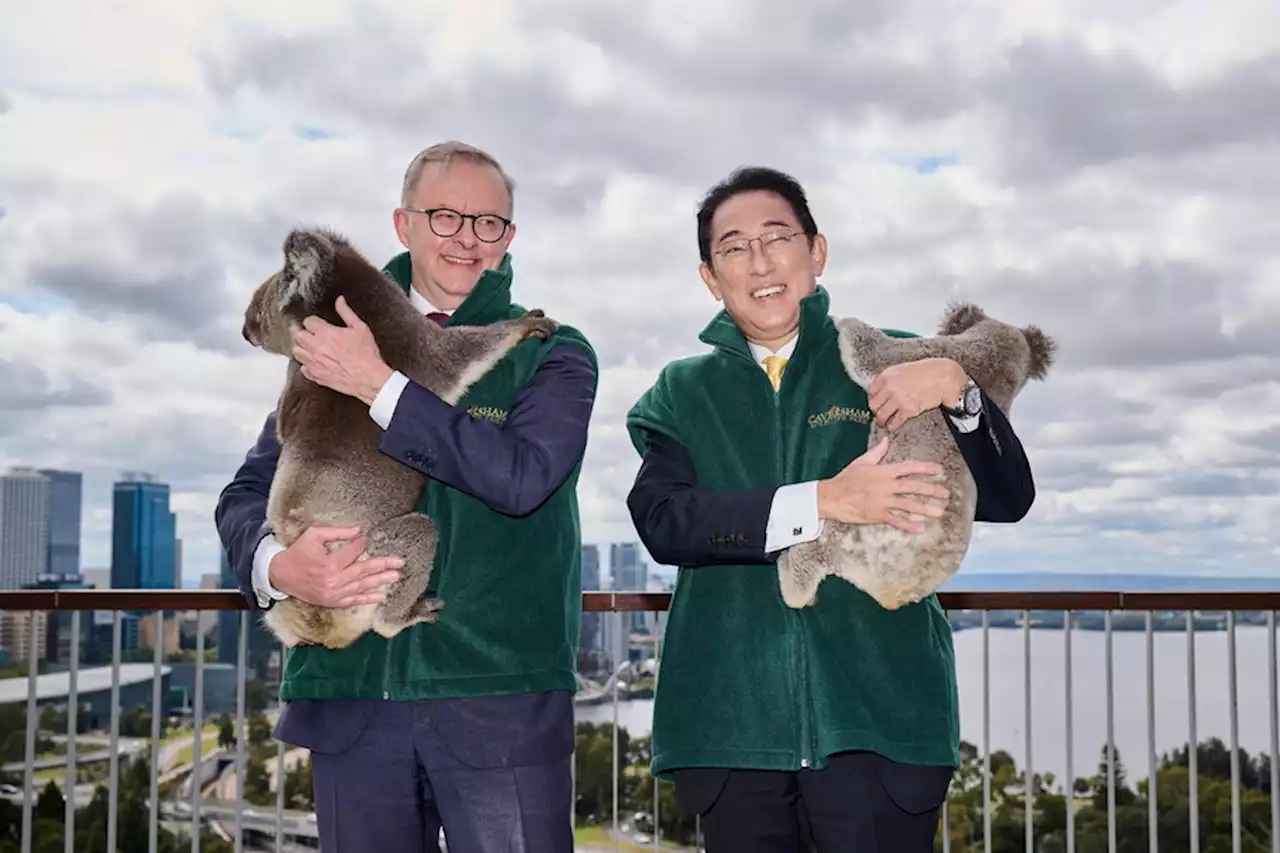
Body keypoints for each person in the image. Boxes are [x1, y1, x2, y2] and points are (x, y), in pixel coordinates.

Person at [624, 166, 1036, 852]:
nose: (759, 260)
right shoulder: (680, 390)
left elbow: (1007, 497)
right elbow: (665, 521)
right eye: (733, 246)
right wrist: (826, 500)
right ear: (709, 275)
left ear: (817, 251)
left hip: (882, 724)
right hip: (732, 733)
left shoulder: (896, 359)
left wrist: (958, 388)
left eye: (778, 236)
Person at [215, 141, 598, 853]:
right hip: (348, 697)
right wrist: (277, 565)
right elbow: (245, 493)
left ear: (509, 236)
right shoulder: (321, 347)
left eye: (488, 222)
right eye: (445, 215)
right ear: (404, 224)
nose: (466, 237)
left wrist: (380, 385)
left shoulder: (550, 351)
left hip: (498, 703)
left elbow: (522, 479)